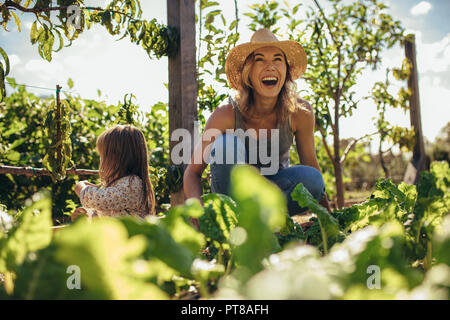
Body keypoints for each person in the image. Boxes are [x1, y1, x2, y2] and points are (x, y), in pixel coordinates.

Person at [183, 28, 331, 218]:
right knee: (226, 145)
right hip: (234, 200)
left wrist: (331, 221)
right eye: (260, 60)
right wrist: (198, 214)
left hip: (275, 195)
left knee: (313, 179)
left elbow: (311, 165)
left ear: (286, 70)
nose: (270, 67)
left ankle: (268, 221)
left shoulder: (300, 112)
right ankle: (236, 223)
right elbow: (191, 173)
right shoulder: (226, 114)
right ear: (248, 72)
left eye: (278, 59)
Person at [72, 124, 156, 221]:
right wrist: (89, 215)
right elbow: (108, 212)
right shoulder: (117, 185)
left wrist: (81, 188)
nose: (101, 161)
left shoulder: (132, 184)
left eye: (102, 156)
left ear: (116, 158)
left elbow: (100, 200)